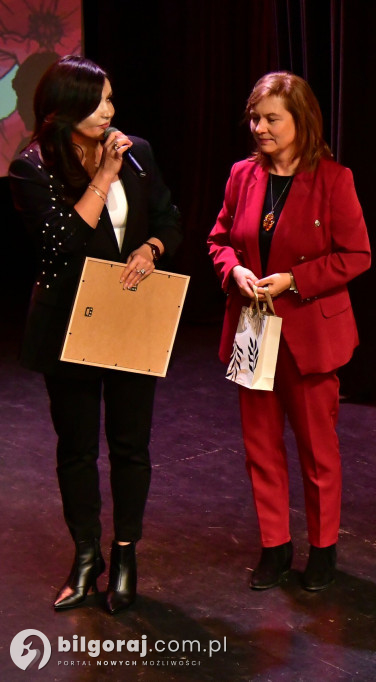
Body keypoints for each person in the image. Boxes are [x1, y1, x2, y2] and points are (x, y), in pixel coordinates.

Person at [8, 56, 182, 614]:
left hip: (129, 313)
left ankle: (125, 553)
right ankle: (87, 556)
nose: (111, 110)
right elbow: (63, 246)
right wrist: (103, 173)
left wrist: (151, 249)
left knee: (131, 444)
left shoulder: (139, 152)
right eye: (100, 100)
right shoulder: (32, 165)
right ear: (66, 108)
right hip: (69, 321)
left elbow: (169, 219)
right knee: (77, 448)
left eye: (111, 98)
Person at [208, 72, 371, 592]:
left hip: (307, 335)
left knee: (317, 449)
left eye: (271, 118)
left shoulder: (334, 179)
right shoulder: (241, 175)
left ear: (301, 121)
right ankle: (274, 546)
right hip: (253, 328)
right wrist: (233, 269)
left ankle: (323, 549)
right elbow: (219, 238)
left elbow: (357, 255)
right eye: (254, 118)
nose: (259, 128)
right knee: (260, 445)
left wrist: (296, 280)